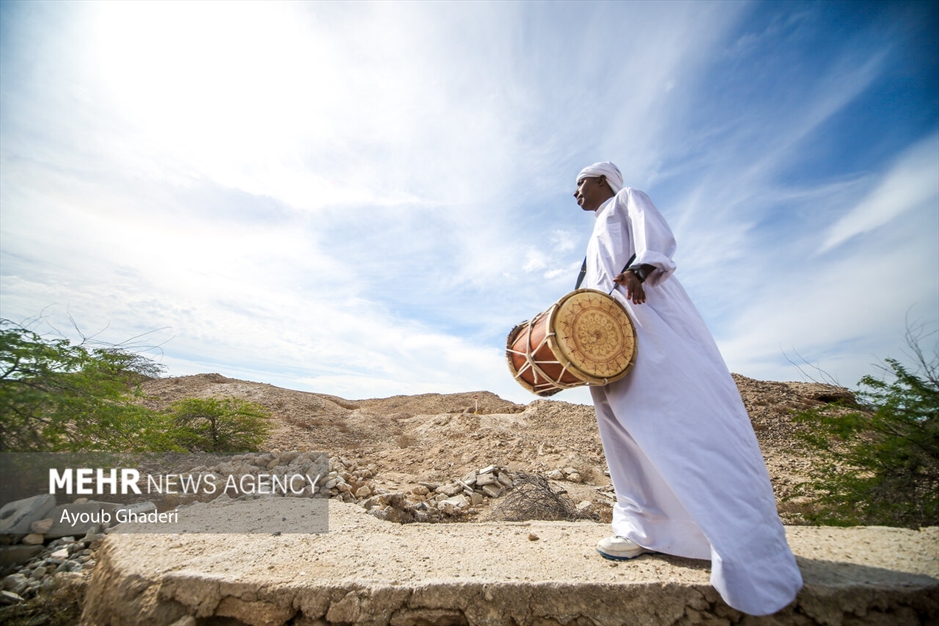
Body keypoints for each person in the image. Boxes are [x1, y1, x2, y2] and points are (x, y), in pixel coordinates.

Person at [572, 162, 803, 615]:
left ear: (603, 181)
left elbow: (655, 238)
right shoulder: (595, 230)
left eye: (581, 182)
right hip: (607, 334)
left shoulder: (627, 200)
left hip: (647, 319)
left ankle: (736, 541)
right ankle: (646, 528)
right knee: (623, 432)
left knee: (674, 421)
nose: (575, 191)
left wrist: (639, 271)